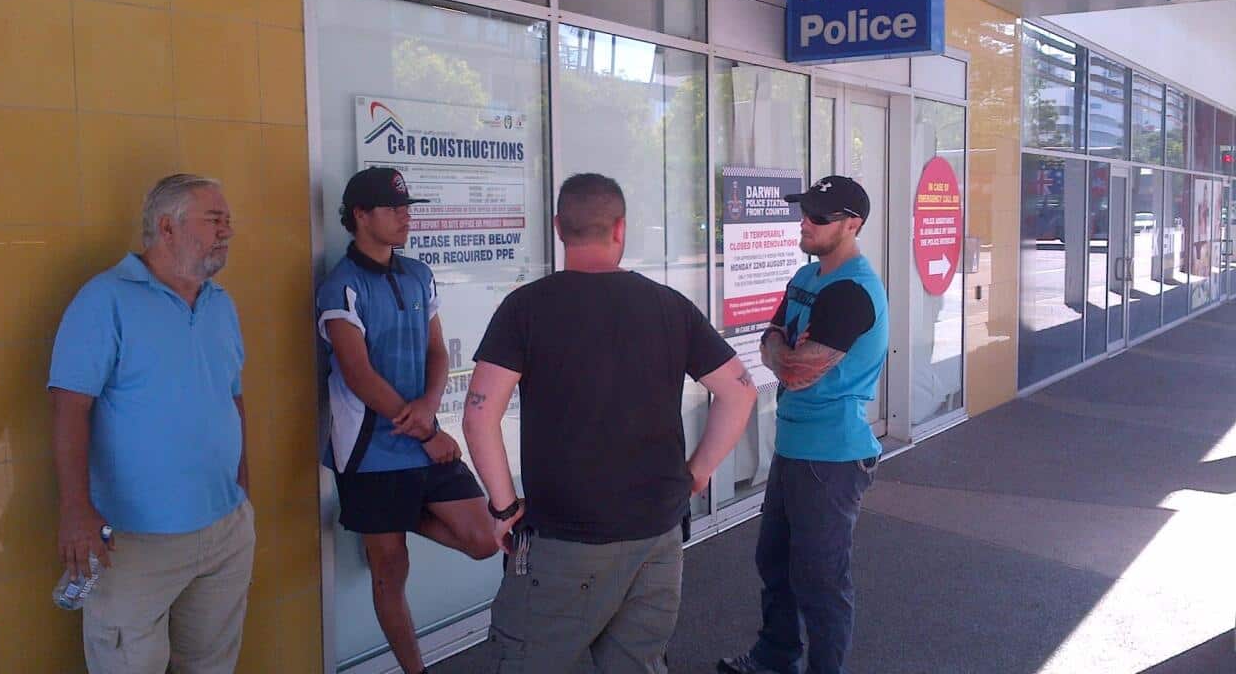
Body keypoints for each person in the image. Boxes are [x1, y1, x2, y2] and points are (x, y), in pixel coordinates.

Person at [463, 172, 758, 673]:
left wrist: (503, 506)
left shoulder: (525, 308)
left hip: (563, 540)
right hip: (656, 534)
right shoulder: (669, 307)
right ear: (620, 228)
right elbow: (739, 390)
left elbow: (477, 416)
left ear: (559, 228)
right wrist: (698, 471)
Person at [49, 174, 254, 674]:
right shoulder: (105, 300)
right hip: (134, 542)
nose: (227, 231)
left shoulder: (219, 303)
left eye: (228, 220)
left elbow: (233, 398)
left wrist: (243, 490)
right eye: (215, 219)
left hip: (223, 529)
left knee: (210, 664)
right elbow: (69, 408)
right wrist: (76, 510)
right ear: (167, 226)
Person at [316, 166, 498, 674]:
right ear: (359, 216)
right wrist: (426, 428)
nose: (405, 217)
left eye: (407, 208)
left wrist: (429, 413)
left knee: (485, 539)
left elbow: (437, 350)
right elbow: (357, 374)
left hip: (423, 440)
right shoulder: (340, 286)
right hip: (369, 451)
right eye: (392, 208)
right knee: (390, 571)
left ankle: (390, 518)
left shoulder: (418, 273)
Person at [718, 175, 889, 674]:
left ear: (852, 225)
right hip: (794, 444)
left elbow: (791, 366)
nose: (805, 222)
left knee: (820, 581)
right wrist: (782, 348)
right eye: (805, 211)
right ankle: (776, 656)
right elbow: (770, 341)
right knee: (774, 563)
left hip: (832, 455)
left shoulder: (853, 290)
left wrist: (783, 351)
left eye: (819, 216)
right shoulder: (807, 278)